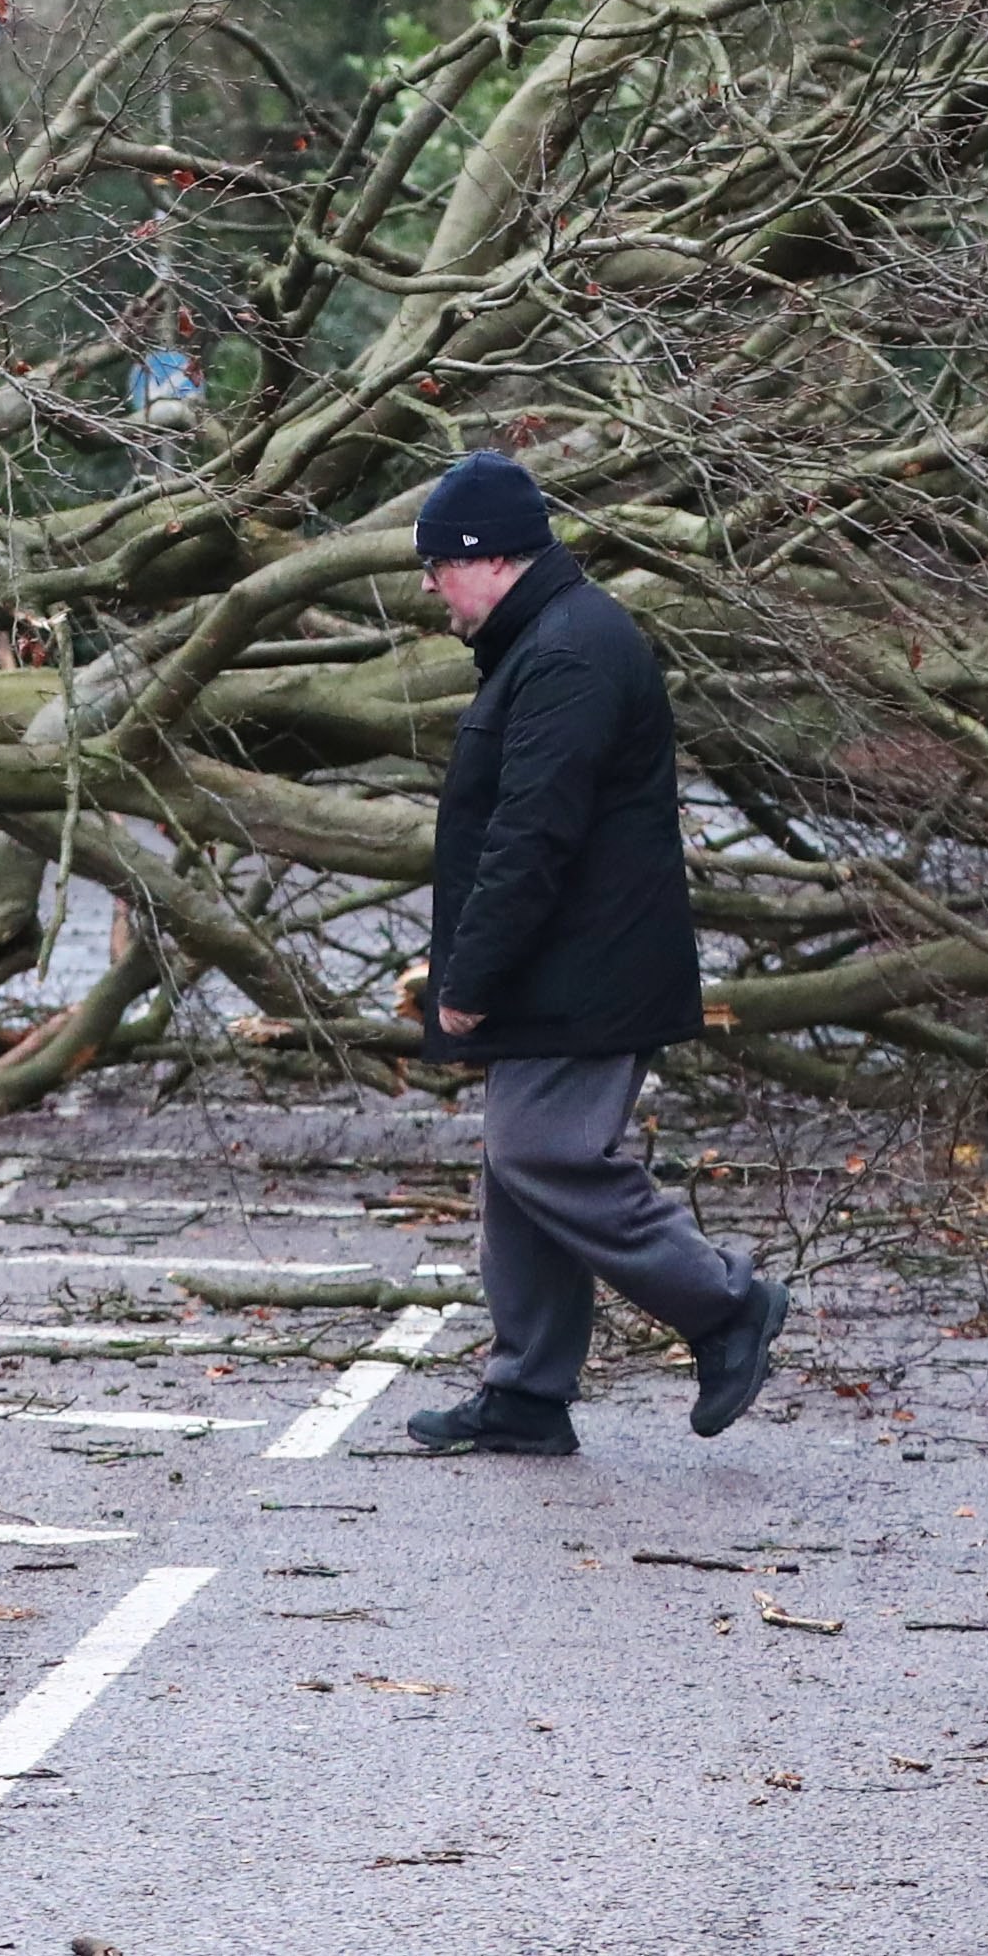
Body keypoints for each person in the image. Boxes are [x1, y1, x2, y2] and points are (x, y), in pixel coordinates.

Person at [392, 451, 789, 1457]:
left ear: (487, 558)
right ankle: (526, 1393)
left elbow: (532, 834)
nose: (430, 587)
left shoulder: (569, 652)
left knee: (547, 1152)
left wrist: (468, 980)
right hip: (563, 965)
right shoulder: (548, 639)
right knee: (516, 1167)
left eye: (437, 565)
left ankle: (726, 1305)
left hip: (585, 971)